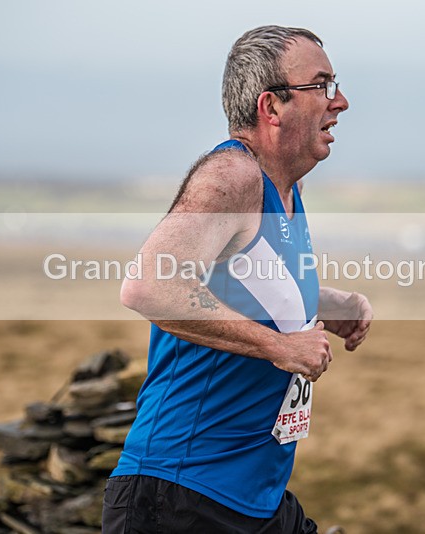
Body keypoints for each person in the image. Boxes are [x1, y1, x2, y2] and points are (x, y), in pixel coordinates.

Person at [103, 25, 372, 534]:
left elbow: (248, 278)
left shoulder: (282, 189)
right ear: (271, 107)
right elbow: (149, 286)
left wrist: (328, 302)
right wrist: (280, 346)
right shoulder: (232, 176)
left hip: (254, 500)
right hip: (180, 497)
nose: (341, 102)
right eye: (322, 85)